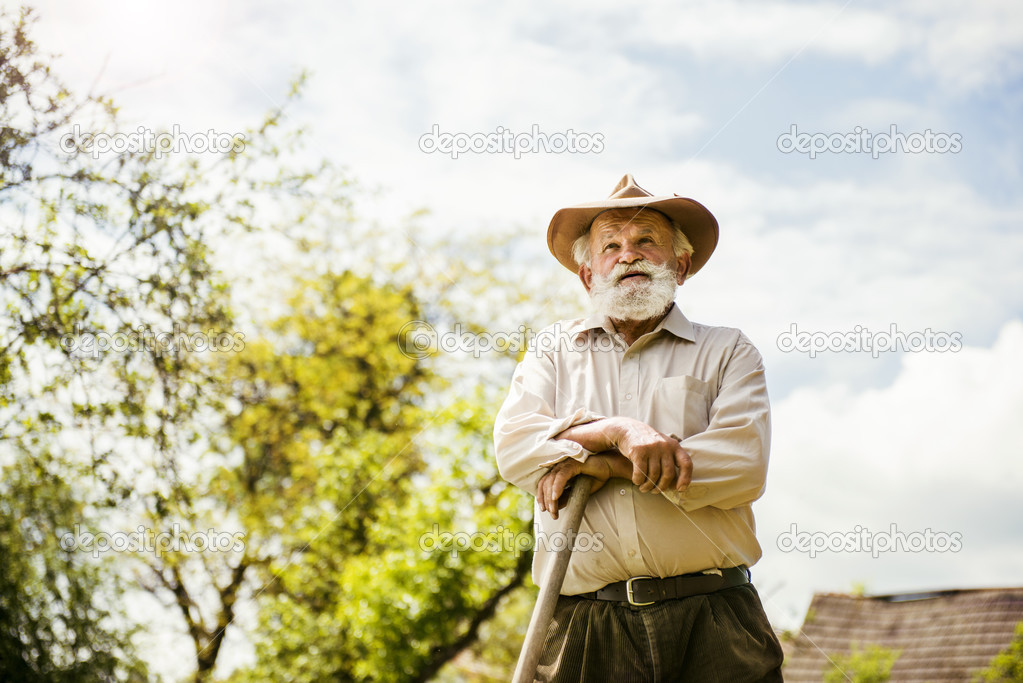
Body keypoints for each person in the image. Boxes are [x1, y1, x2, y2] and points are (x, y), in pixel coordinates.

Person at [494, 174, 785, 681]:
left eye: (646, 241)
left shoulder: (728, 350)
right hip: (586, 623)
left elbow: (742, 467)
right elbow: (516, 447)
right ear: (589, 275)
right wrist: (618, 432)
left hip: (715, 616)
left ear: (680, 264)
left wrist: (605, 465)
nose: (629, 255)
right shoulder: (553, 351)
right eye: (612, 245)